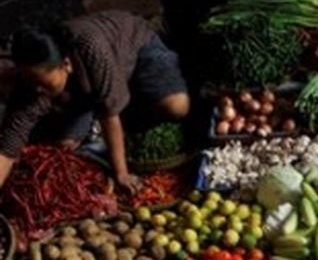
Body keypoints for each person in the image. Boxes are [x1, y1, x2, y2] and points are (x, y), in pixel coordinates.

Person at [0, 11, 190, 191]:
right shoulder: (32, 82)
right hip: (86, 87)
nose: (37, 90)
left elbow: (109, 114)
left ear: (66, 64)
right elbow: (9, 145)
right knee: (65, 145)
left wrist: (121, 173)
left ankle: (128, 99)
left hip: (135, 50)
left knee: (176, 106)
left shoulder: (91, 47)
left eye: (43, 84)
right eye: (32, 83)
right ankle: (107, 102)